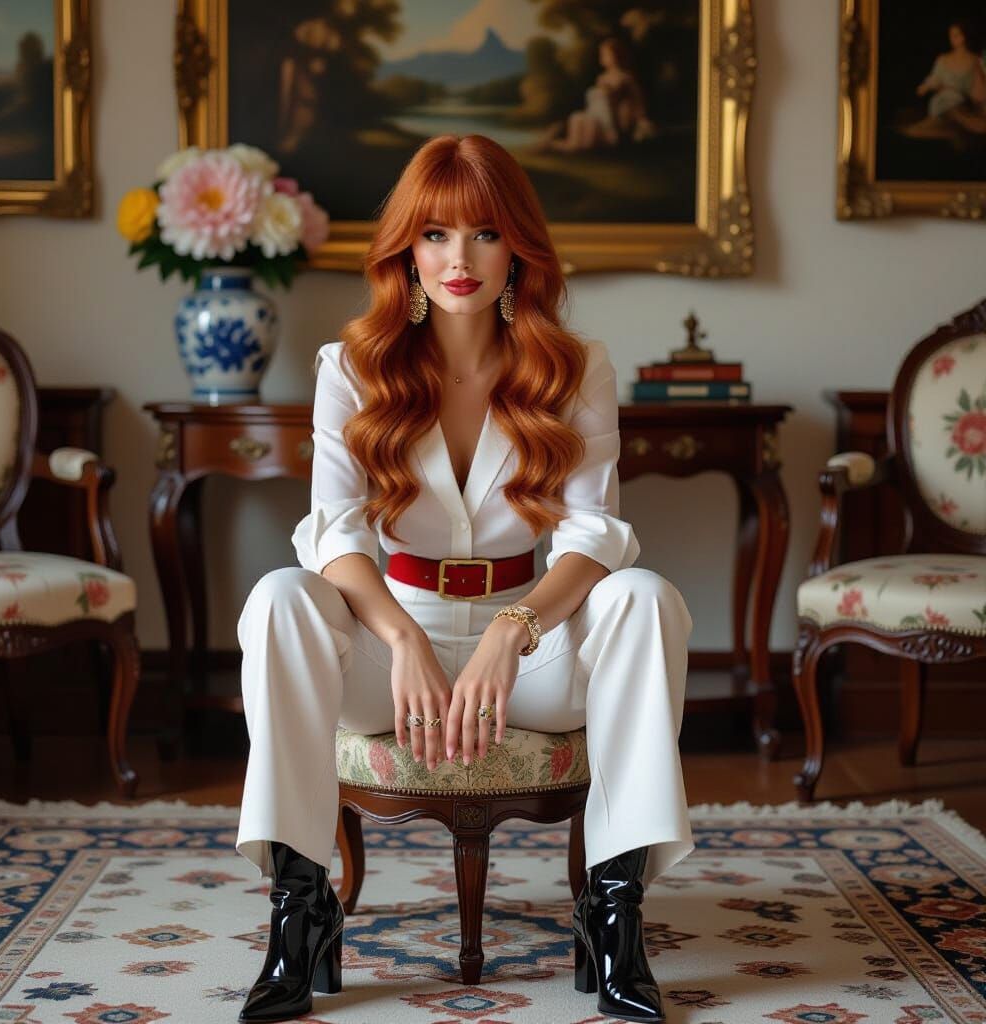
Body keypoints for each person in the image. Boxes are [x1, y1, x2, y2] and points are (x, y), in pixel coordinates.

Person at [234, 133, 694, 1024]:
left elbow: (595, 534)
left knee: (647, 596)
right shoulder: (354, 367)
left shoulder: (573, 365)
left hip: (532, 648)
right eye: (436, 234)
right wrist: (402, 636)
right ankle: (301, 909)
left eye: (484, 234)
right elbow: (331, 532)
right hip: (389, 654)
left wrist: (510, 632)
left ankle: (613, 914)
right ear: (405, 247)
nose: (459, 259)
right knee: (280, 596)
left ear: (518, 247)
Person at [542, 37, 656, 152]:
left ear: (617, 55)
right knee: (577, 118)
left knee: (579, 143)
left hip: (612, 125)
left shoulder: (625, 78)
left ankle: (553, 144)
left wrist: (642, 121)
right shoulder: (601, 78)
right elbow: (595, 105)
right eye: (602, 54)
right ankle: (551, 143)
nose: (602, 57)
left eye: (606, 54)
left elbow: (637, 103)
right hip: (596, 118)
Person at [906, 21, 986, 139]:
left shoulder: (975, 60)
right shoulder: (943, 60)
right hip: (943, 103)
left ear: (964, 36)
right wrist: (925, 87)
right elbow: (934, 79)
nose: (953, 39)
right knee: (948, 104)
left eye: (956, 35)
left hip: (963, 104)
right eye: (951, 35)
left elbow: (980, 92)